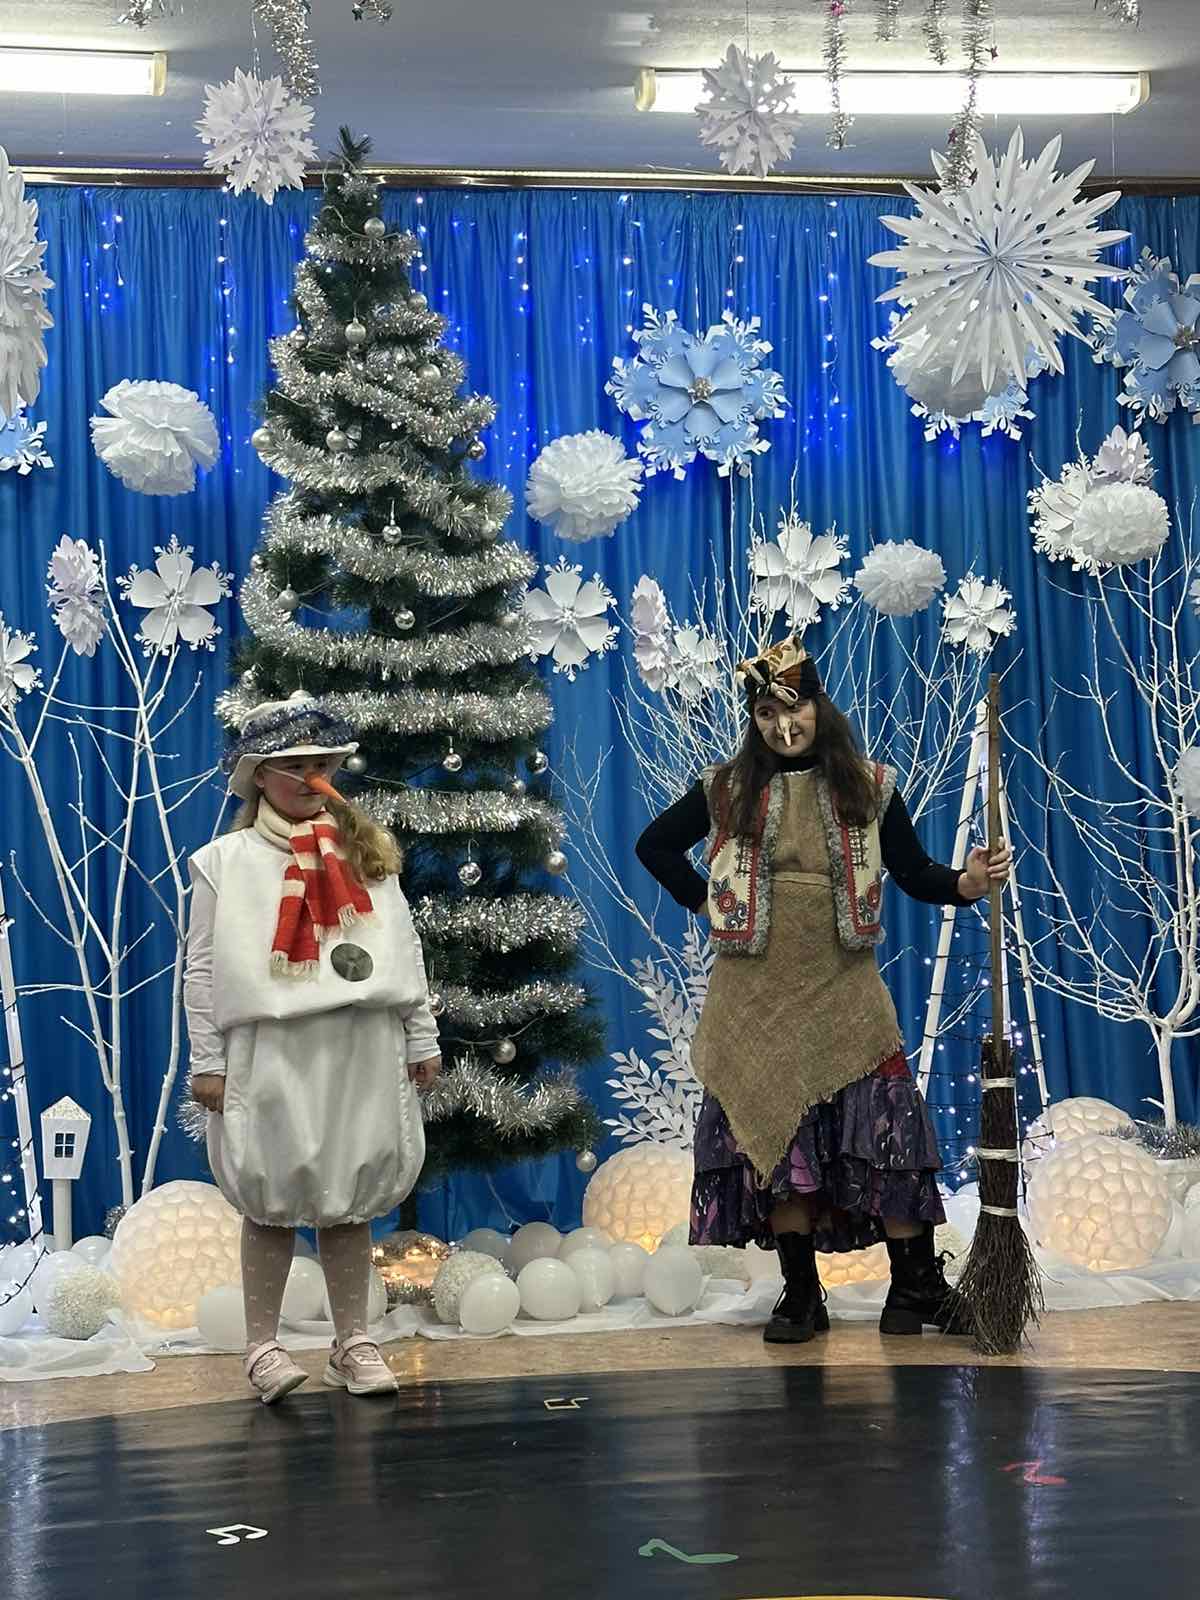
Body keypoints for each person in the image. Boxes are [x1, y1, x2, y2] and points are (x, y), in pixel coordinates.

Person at [635, 636, 1011, 1344]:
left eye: (794, 708)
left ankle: (915, 1290)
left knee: (888, 1134)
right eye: (766, 714)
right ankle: (802, 1295)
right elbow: (653, 845)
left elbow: (913, 871)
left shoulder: (867, 785)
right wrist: (705, 900)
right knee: (775, 1137)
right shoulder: (727, 789)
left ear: (818, 705)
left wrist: (965, 883)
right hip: (756, 994)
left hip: (844, 989)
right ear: (753, 720)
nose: (784, 726)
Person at [185, 693, 442, 1402]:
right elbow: (201, 968)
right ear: (257, 776)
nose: (309, 778)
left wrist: (421, 1035)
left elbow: (404, 949)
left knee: (348, 1199)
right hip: (271, 1047)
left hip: (359, 1042)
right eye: (293, 765)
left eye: (320, 764)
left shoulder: (366, 855)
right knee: (270, 1198)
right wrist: (207, 1060)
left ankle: (352, 1342)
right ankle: (262, 1347)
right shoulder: (224, 863)